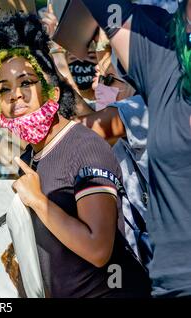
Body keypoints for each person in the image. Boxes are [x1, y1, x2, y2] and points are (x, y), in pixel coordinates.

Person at [0, 13, 151, 298]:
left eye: (26, 82)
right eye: (3, 88)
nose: (14, 95)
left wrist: (40, 203)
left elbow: (97, 250)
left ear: (53, 94)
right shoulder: (30, 158)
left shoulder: (85, 147)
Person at [77, 0, 191, 298]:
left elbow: (87, 129)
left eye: (111, 80)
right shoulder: (164, 71)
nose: (102, 86)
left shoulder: (136, 107)